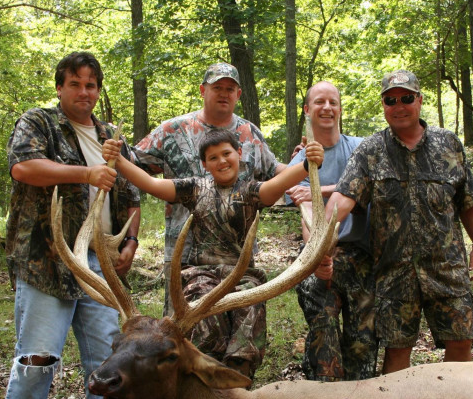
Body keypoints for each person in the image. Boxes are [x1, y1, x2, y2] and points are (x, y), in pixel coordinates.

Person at [0, 51, 140, 399]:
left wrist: (131, 241)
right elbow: (24, 168)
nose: (84, 93)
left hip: (99, 269)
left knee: (106, 361)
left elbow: (133, 193)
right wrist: (86, 172)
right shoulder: (39, 123)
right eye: (75, 84)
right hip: (48, 261)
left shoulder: (109, 134)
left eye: (92, 85)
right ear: (60, 87)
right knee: (38, 358)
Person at [103, 128, 323, 378]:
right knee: (204, 318)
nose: (222, 161)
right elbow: (152, 184)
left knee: (249, 315)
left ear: (239, 154)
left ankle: (239, 380)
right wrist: (119, 159)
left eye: (226, 153)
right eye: (213, 157)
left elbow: (278, 184)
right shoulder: (194, 188)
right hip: (201, 275)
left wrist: (308, 163)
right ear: (205, 164)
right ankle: (202, 377)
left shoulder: (251, 191)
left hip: (243, 277)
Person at [323, 70, 473, 374]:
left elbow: (468, 199)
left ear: (419, 100)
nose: (399, 105)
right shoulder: (371, 151)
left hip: (447, 269)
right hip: (394, 272)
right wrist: (321, 243)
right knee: (397, 351)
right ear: (384, 105)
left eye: (406, 98)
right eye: (390, 100)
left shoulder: (448, 144)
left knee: (461, 342)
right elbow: (342, 199)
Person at [129, 63, 287, 315]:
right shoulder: (172, 131)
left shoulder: (250, 133)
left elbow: (274, 171)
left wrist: (306, 167)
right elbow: (132, 164)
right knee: (181, 328)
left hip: (237, 258)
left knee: (239, 327)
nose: (224, 93)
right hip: (184, 254)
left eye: (230, 88)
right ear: (203, 90)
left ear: (238, 94)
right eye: (217, 88)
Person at [284, 81, 377, 381]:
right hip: (320, 251)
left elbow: (368, 185)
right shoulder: (299, 163)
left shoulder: (362, 148)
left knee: (362, 342)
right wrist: (318, 258)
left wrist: (321, 189)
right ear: (307, 109)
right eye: (320, 102)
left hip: (361, 254)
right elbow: (306, 214)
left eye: (333, 102)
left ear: (339, 108)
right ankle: (324, 391)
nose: (327, 108)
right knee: (323, 327)